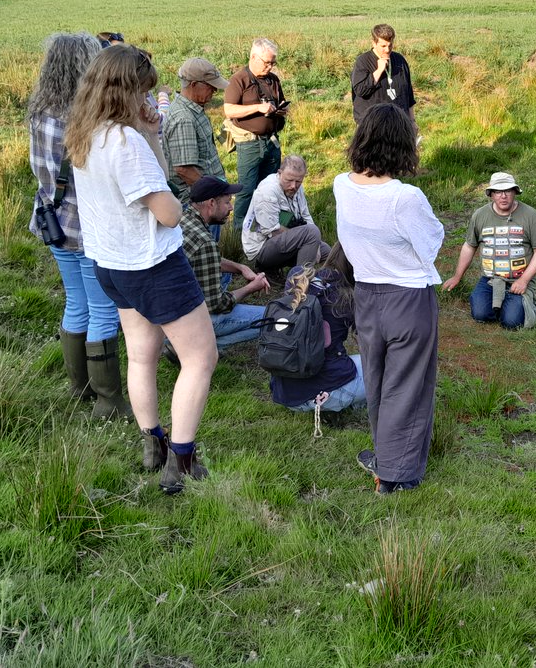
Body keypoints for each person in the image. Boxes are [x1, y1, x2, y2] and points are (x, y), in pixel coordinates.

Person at [65, 44, 218, 495]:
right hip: (152, 264)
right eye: (144, 93)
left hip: (110, 264)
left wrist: (151, 133)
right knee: (200, 357)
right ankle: (182, 461)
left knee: (141, 356)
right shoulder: (124, 142)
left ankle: (154, 443)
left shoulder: (86, 132)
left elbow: (146, 178)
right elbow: (168, 211)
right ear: (126, 90)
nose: (149, 102)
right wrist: (178, 194)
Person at [334, 103, 443, 494]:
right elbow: (431, 243)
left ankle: (385, 457)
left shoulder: (341, 184)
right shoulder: (404, 198)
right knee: (409, 386)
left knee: (378, 379)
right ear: (402, 145)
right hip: (408, 299)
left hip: (367, 296)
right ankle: (399, 474)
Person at [26, 31, 127, 418]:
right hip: (88, 227)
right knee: (103, 309)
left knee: (75, 302)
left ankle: (79, 387)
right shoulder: (88, 120)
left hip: (52, 219)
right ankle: (108, 399)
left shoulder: (39, 113)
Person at [441, 171, 536, 330]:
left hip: (518, 279)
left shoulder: (530, 215)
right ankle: (504, 303)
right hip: (490, 279)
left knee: (512, 323)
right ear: (491, 194)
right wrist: (457, 277)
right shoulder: (480, 215)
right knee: (480, 314)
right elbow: (469, 246)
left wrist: (524, 280)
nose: (503, 196)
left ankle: (517, 303)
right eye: (498, 191)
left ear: (515, 192)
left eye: (507, 191)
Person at [271, 244, 367, 414]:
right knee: (386, 366)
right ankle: (355, 402)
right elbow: (367, 348)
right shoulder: (348, 297)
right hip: (323, 394)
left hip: (284, 393)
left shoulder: (298, 279)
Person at [179, 176, 271, 351]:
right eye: (227, 202)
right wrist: (251, 288)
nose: (231, 208)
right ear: (211, 203)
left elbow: (207, 259)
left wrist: (240, 267)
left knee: (227, 274)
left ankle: (184, 344)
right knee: (270, 317)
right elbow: (217, 305)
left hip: (170, 311)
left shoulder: (185, 219)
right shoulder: (205, 242)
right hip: (190, 319)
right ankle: (197, 346)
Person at [224, 38, 287, 229]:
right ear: (253, 57)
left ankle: (265, 227)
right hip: (249, 143)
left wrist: (281, 110)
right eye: (267, 62)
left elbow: (280, 101)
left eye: (273, 63)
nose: (270, 67)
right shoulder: (239, 80)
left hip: (271, 141)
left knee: (269, 188)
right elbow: (229, 110)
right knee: (247, 189)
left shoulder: (273, 80)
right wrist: (258, 108)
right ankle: (239, 232)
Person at [163, 57, 228, 239]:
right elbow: (184, 169)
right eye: (210, 86)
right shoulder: (184, 118)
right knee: (204, 256)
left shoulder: (193, 109)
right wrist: (211, 198)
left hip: (204, 202)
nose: (214, 90)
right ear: (193, 85)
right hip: (197, 205)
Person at [241, 155, 330, 273]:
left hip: (283, 239)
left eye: (298, 181)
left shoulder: (298, 188)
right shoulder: (267, 191)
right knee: (311, 233)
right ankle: (300, 283)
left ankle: (308, 276)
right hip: (261, 249)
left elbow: (306, 216)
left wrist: (316, 244)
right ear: (280, 173)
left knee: (327, 252)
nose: (294, 186)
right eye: (289, 180)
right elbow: (273, 232)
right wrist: (305, 238)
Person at [350, 24, 415, 126]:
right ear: (374, 43)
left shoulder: (400, 60)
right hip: (371, 124)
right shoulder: (362, 61)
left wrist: (412, 121)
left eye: (390, 45)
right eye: (383, 46)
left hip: (399, 122)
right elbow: (360, 90)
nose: (387, 50)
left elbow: (408, 94)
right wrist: (379, 71)